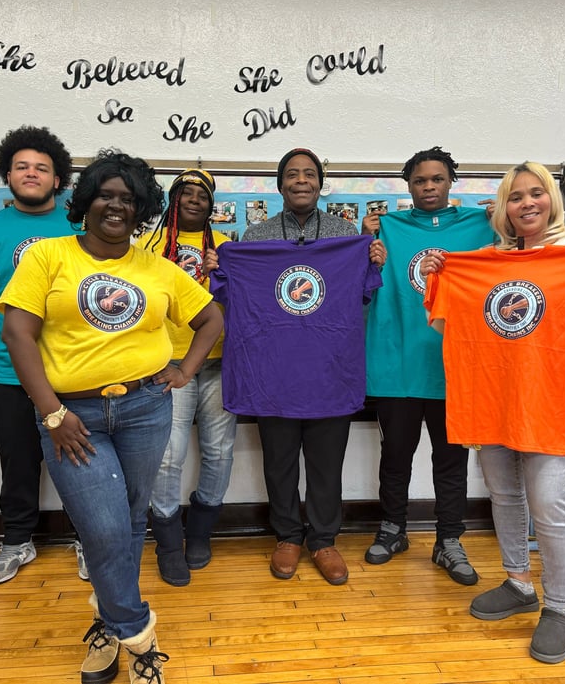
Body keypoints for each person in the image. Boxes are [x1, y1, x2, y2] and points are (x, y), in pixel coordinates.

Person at [0, 149, 223, 684]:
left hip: (146, 409)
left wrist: (185, 370)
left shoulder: (157, 268)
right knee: (103, 528)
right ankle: (140, 637)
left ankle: (105, 621)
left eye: (128, 198)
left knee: (128, 522)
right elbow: (17, 333)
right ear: (86, 201)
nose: (116, 205)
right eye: (105, 195)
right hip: (72, 416)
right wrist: (52, 413)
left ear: (141, 209)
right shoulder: (48, 256)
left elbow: (212, 318)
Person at [422, 161, 565, 664]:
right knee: (503, 496)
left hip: (547, 403)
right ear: (504, 208)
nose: (526, 203)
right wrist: (441, 275)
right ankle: (519, 582)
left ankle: (559, 608)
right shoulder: (483, 263)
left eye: (536, 193)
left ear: (551, 200)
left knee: (549, 506)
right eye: (515, 196)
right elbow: (450, 328)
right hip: (493, 400)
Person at [207, 147, 386, 586]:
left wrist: (370, 260)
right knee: (279, 462)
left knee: (327, 464)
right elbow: (237, 295)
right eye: (292, 174)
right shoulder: (256, 237)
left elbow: (362, 293)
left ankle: (323, 540)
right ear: (280, 184)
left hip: (330, 370)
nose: (301, 180)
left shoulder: (346, 234)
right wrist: (221, 268)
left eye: (309, 174)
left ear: (320, 183)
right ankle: (287, 535)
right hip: (273, 374)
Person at [0, 125, 87, 585]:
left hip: (71, 373)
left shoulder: (79, 228)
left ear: (58, 178)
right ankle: (16, 541)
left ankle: (89, 541)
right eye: (22, 167)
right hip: (7, 375)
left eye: (41, 168)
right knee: (17, 463)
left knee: (82, 461)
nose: (31, 173)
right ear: (7, 175)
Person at [361, 146, 495, 585]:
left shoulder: (482, 226)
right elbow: (364, 282)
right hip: (397, 365)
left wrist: (504, 224)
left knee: (451, 461)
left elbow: (515, 265)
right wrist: (365, 242)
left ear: (451, 182)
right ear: (409, 186)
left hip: (454, 367)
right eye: (420, 180)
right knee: (395, 457)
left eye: (437, 179)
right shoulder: (387, 228)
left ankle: (449, 540)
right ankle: (393, 529)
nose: (429, 187)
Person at [140, 169, 236, 587]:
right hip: (168, 364)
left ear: (212, 204)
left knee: (219, 452)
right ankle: (166, 543)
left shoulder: (227, 247)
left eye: (202, 194)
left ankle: (199, 533)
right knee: (167, 456)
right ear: (173, 198)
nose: (194, 199)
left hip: (219, 362)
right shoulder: (146, 245)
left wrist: (223, 276)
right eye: (186, 192)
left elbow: (243, 304)